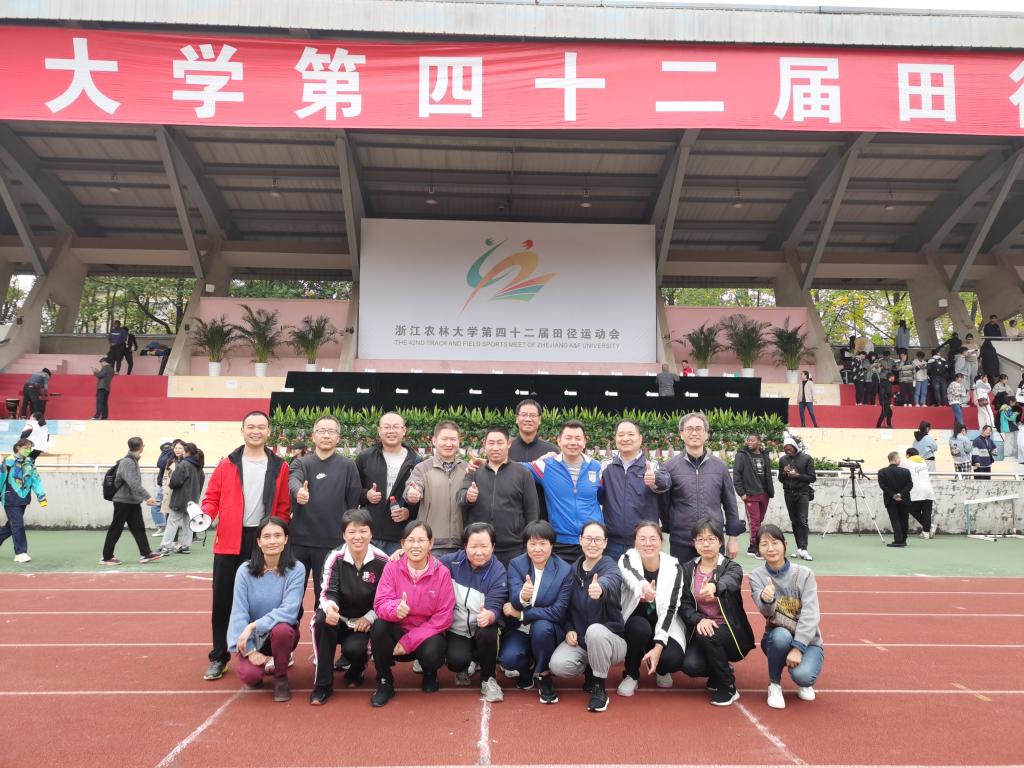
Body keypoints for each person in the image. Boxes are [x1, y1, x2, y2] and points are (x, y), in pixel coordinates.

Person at [201, 411, 292, 681]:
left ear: (269, 431)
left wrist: (276, 533)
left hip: (263, 541)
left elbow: (284, 505)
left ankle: (269, 650)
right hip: (229, 540)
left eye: (261, 427)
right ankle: (219, 656)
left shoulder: (279, 466)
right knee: (223, 601)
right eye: (250, 426)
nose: (256, 431)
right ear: (242, 430)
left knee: (266, 599)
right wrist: (205, 515)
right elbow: (211, 497)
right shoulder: (226, 464)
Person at [370, 520, 455, 706]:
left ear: (431, 543)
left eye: (421, 540)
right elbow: (380, 603)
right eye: (411, 540)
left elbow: (444, 616)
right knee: (379, 627)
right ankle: (384, 681)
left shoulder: (442, 573)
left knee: (434, 651)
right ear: (402, 544)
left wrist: (409, 641)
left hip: (426, 635)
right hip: (398, 630)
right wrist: (395, 609)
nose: (416, 545)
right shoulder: (392, 567)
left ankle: (430, 673)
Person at [310, 508, 389, 704]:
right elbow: (327, 591)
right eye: (351, 531)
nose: (357, 537)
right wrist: (330, 608)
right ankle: (323, 684)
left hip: (363, 621)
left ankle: (357, 668)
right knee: (321, 620)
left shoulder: (382, 560)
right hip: (338, 617)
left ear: (371, 533)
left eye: (363, 531)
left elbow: (386, 597)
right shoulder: (334, 557)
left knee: (356, 650)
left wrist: (369, 617)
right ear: (344, 535)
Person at [548, 521, 625, 713]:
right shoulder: (571, 571)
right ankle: (591, 669)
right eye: (588, 539)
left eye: (598, 539)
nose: (592, 544)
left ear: (605, 543)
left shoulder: (610, 567)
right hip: (583, 642)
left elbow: (612, 580)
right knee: (558, 665)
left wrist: (601, 588)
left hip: (611, 642)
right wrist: (569, 629)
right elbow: (566, 609)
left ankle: (599, 688)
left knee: (595, 631)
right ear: (580, 540)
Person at [227, 517, 306, 703]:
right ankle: (257, 663)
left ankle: (281, 678)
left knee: (282, 629)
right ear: (259, 541)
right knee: (250, 676)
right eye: (267, 536)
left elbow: (289, 611)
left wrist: (253, 625)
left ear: (286, 539)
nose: (272, 541)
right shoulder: (244, 571)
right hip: (253, 638)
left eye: (278, 535)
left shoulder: (296, 569)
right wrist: (250, 651)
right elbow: (238, 612)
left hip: (281, 634)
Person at [679, 518, 755, 706]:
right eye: (700, 539)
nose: (705, 544)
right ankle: (717, 670)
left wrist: (715, 586)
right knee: (691, 666)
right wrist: (698, 619)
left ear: (720, 542)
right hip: (701, 629)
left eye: (711, 539)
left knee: (709, 633)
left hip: (730, 631)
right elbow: (684, 604)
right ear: (694, 543)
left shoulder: (731, 567)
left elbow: (731, 581)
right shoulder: (687, 569)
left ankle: (728, 686)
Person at [747, 524, 824, 710]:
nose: (770, 548)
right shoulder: (756, 576)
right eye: (764, 544)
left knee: (803, 677)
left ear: (785, 544)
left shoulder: (804, 574)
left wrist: (798, 647)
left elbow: (811, 614)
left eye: (775, 543)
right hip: (776, 637)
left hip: (808, 641)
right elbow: (766, 613)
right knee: (781, 635)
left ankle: (803, 677)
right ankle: (774, 685)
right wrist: (768, 599)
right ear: (758, 549)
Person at [289, 414, 363, 602]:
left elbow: (352, 505)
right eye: (321, 431)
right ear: (313, 436)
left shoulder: (348, 466)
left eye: (331, 431)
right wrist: (299, 492)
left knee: (325, 599)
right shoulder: (301, 463)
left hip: (332, 543)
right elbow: (294, 480)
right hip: (299, 542)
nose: (326, 435)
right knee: (291, 597)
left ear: (338, 437)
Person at [500, 520, 574, 704]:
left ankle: (544, 675)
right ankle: (527, 671)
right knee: (509, 659)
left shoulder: (565, 571)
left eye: (543, 543)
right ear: (525, 545)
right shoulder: (516, 564)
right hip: (521, 629)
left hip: (547, 631)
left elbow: (558, 612)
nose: (537, 549)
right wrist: (523, 597)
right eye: (532, 543)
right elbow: (513, 599)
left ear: (552, 545)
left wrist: (523, 614)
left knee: (541, 627)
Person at [616, 520, 686, 697]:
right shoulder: (627, 558)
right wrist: (644, 587)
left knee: (671, 660)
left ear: (661, 541)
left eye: (653, 539)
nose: (648, 543)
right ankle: (631, 674)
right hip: (636, 622)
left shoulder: (674, 567)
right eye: (642, 539)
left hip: (662, 622)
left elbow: (671, 608)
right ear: (635, 542)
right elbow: (631, 575)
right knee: (639, 628)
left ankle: (660, 668)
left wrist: (659, 647)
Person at [441, 522, 508, 702]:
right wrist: (402, 554)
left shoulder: (498, 571)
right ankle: (466, 664)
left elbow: (495, 605)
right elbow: (425, 563)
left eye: (484, 546)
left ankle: (488, 679)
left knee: (489, 632)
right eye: (473, 546)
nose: (479, 552)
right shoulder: (450, 562)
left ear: (493, 546)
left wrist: (490, 615)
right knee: (456, 661)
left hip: (482, 627)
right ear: (465, 546)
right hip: (458, 629)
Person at [663, 412, 743, 562]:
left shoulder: (720, 467)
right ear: (681, 434)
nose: (694, 433)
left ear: (706, 434)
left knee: (714, 577)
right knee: (683, 577)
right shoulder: (669, 467)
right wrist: (672, 527)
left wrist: (733, 538)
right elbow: (664, 504)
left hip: (713, 540)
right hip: (681, 541)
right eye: (689, 429)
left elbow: (730, 505)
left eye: (699, 429)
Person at [457, 426, 538, 566]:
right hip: (480, 548)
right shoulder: (474, 471)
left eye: (500, 443)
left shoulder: (523, 473)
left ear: (509, 443)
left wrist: (528, 545)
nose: (495, 448)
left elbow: (532, 512)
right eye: (491, 443)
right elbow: (461, 498)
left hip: (513, 548)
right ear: (484, 444)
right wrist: (468, 497)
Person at [527, 420, 602, 563]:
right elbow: (517, 467)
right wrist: (486, 463)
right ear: (559, 441)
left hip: (592, 541)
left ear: (584, 442)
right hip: (562, 543)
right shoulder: (546, 466)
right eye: (568, 438)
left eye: (578, 438)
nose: (573, 442)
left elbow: (603, 496)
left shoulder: (596, 467)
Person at [597, 419, 669, 561]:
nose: (625, 439)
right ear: (615, 438)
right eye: (621, 435)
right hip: (611, 543)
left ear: (640, 439)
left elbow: (666, 482)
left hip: (644, 543)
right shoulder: (605, 466)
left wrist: (655, 480)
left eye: (630, 434)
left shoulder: (652, 466)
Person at [405, 420, 470, 559]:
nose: (449, 444)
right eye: (444, 439)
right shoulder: (422, 468)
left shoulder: (467, 468)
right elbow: (413, 486)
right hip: (432, 544)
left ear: (459, 441)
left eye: (453, 439)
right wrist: (412, 493)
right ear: (434, 441)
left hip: (461, 544)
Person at [356, 411, 418, 555]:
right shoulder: (365, 457)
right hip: (370, 534)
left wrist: (409, 512)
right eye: (386, 427)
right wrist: (366, 495)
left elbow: (422, 497)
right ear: (379, 430)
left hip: (400, 536)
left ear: (404, 430)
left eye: (396, 427)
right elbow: (353, 490)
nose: (391, 431)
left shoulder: (416, 460)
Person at [100, 437, 163, 565]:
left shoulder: (131, 460)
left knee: (138, 528)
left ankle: (146, 553)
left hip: (132, 501)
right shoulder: (128, 462)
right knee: (116, 528)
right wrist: (147, 497)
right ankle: (106, 557)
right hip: (123, 501)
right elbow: (133, 483)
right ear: (141, 447)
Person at [508, 399, 558, 523]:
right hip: (510, 518)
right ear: (517, 418)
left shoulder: (552, 451)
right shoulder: (506, 449)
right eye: (524, 415)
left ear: (539, 420)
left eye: (532, 415)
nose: (528, 419)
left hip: (543, 520)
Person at [0, 438, 47, 563]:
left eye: (30, 448)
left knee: (11, 525)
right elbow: (0, 478)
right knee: (18, 524)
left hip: (23, 498)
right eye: (26, 447)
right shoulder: (8, 461)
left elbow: (35, 479)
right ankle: (20, 553)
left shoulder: (30, 462)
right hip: (9, 498)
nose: (28, 450)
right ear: (18, 447)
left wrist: (41, 496)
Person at [732, 432, 774, 558]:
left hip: (764, 493)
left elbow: (767, 473)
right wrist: (741, 493)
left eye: (752, 440)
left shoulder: (765, 455)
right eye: (748, 440)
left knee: (759, 520)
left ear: (759, 442)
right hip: (750, 494)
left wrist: (769, 491)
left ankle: (751, 546)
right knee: (755, 522)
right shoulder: (741, 455)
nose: (749, 442)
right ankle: (757, 547)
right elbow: (736, 475)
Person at [161, 442, 205, 555]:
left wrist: (172, 484)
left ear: (187, 452)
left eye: (183, 450)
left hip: (180, 499)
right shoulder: (199, 466)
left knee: (172, 522)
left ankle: (166, 546)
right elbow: (201, 482)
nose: (181, 452)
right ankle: (186, 546)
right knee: (188, 523)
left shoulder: (184, 464)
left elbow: (174, 482)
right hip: (193, 500)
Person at [778, 436, 816, 561]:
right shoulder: (783, 460)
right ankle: (799, 548)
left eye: (789, 448)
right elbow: (780, 479)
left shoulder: (807, 458)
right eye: (785, 449)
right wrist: (784, 473)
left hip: (802, 493)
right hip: (788, 493)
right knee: (794, 521)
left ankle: (804, 548)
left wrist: (797, 476)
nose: (787, 450)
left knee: (803, 520)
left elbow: (812, 478)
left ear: (794, 446)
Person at [877, 451, 913, 548]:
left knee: (895, 520)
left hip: (890, 500)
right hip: (904, 499)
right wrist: (900, 494)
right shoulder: (906, 471)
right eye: (899, 458)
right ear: (896, 459)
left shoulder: (882, 472)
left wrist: (893, 495)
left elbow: (883, 486)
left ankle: (898, 540)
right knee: (904, 520)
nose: (900, 460)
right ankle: (903, 540)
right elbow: (910, 485)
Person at [156, 440, 186, 554]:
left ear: (184, 450)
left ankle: (183, 543)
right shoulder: (170, 461)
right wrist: (165, 488)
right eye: (176, 448)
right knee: (170, 516)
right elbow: (165, 476)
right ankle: (172, 541)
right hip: (169, 492)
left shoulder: (186, 462)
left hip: (181, 493)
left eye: (180, 448)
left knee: (183, 518)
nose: (177, 450)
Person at [904, 448, 936, 539]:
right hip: (929, 490)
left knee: (912, 509)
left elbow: (900, 472)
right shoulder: (923, 462)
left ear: (908, 455)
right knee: (927, 512)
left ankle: (930, 527)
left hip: (916, 491)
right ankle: (926, 532)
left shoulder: (906, 462)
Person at [151, 439, 176, 537]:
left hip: (164, 486)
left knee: (156, 506)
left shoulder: (168, 454)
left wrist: (166, 450)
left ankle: (162, 528)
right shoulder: (172, 455)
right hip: (165, 485)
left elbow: (160, 463)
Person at [962, 334, 980, 398]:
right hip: (967, 362)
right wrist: (971, 353)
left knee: (974, 374)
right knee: (967, 375)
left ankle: (973, 386)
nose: (969, 340)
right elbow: (963, 354)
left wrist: (975, 356)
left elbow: (978, 353)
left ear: (972, 339)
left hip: (974, 361)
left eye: (970, 339)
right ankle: (968, 387)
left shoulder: (975, 345)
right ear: (966, 339)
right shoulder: (964, 345)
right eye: (968, 339)